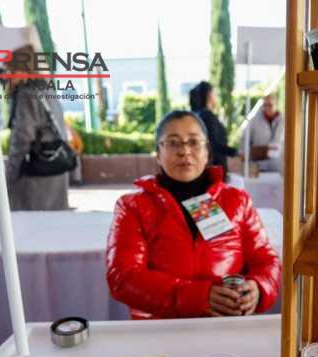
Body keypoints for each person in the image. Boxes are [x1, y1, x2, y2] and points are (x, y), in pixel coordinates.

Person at [106, 110, 281, 319]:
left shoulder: (237, 200)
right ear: (158, 154)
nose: (185, 151)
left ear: (207, 152)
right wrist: (198, 297)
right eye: (173, 143)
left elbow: (265, 259)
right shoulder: (133, 206)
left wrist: (258, 287)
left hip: (226, 325)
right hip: (159, 327)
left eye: (194, 142)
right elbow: (124, 277)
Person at [4, 45, 69, 211]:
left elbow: (22, 137)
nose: (7, 75)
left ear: (21, 68)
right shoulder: (47, 89)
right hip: (56, 170)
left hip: (36, 175)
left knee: (32, 223)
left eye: (10, 70)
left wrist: (10, 173)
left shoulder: (27, 94)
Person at [189, 81, 238, 178]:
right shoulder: (207, 116)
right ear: (209, 95)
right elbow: (212, 144)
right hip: (214, 170)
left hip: (206, 169)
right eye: (215, 94)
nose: (216, 97)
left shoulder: (197, 115)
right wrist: (235, 152)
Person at [240, 94, 285, 173]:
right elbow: (245, 139)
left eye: (270, 105)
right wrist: (244, 153)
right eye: (265, 105)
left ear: (276, 105)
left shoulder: (284, 120)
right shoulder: (254, 121)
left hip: (279, 167)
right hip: (259, 167)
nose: (267, 108)